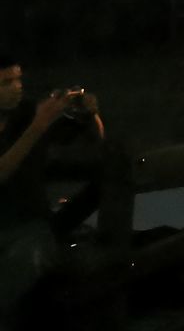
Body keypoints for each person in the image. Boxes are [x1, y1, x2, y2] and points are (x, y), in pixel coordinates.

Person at [0, 51, 103, 325]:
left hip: (31, 227)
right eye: (6, 83)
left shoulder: (27, 113)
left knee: (25, 259)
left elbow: (95, 141)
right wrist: (39, 125)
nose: (17, 87)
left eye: (18, 79)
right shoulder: (34, 121)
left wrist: (89, 114)